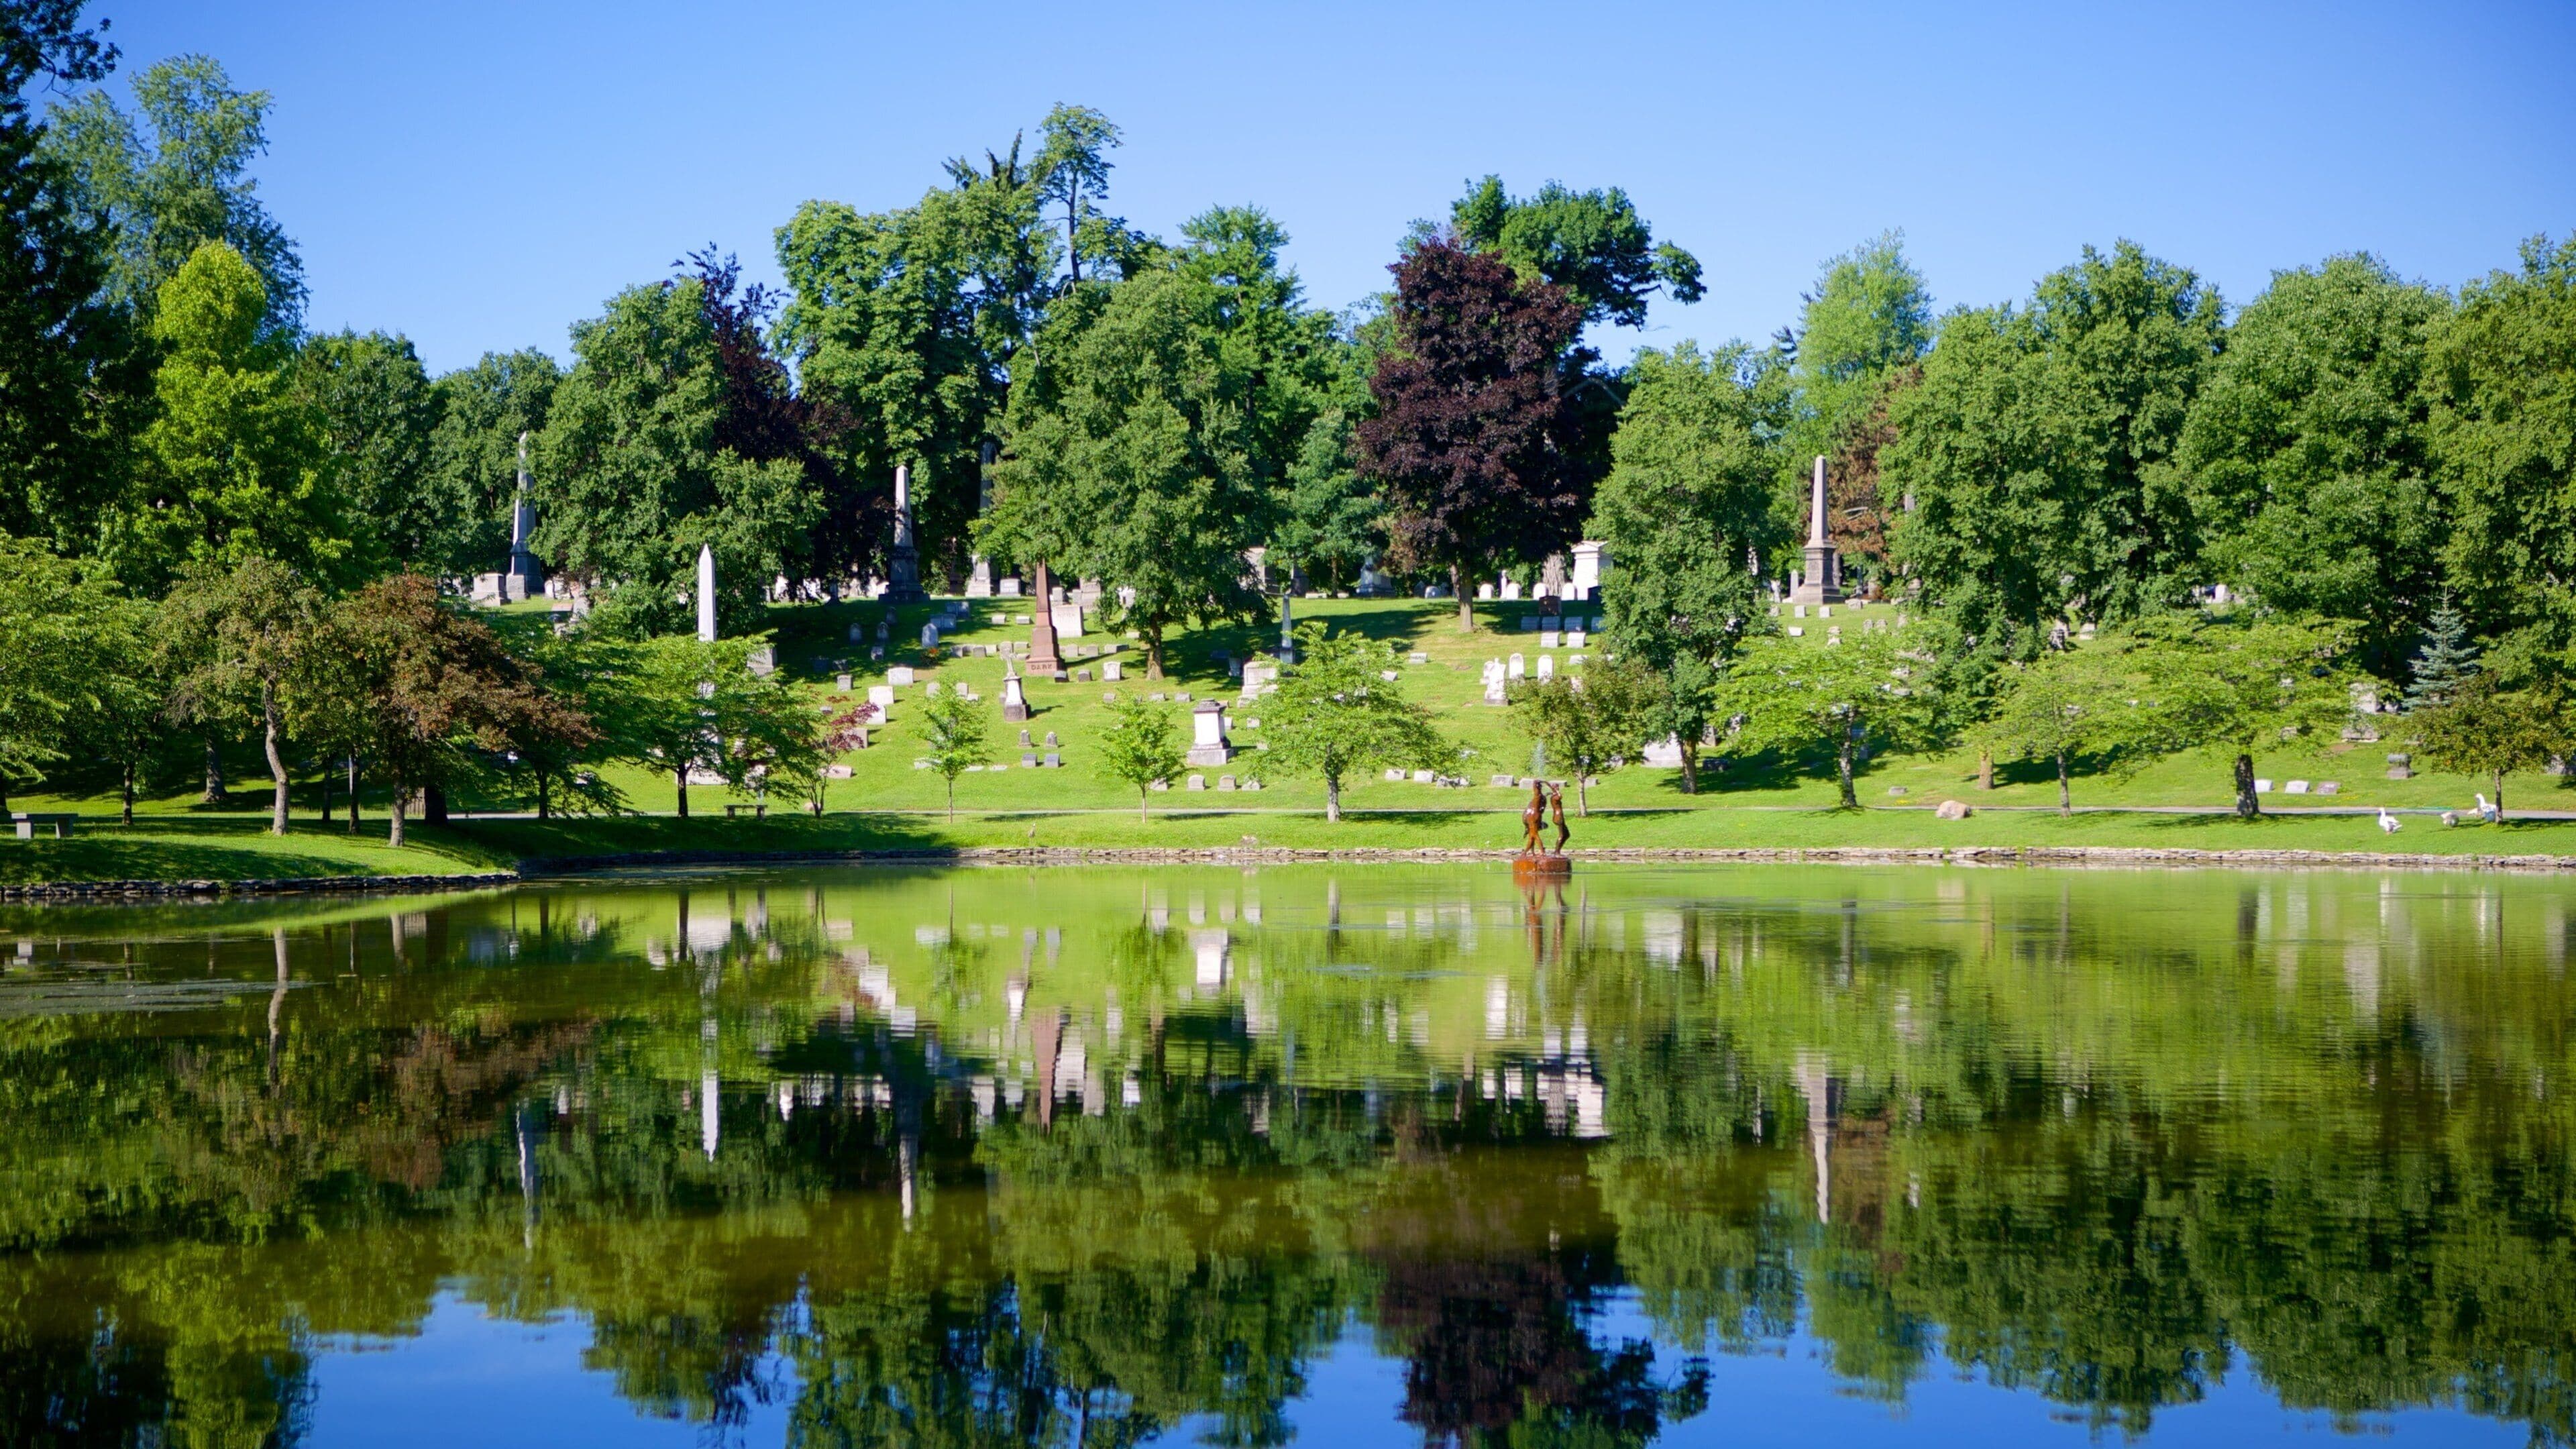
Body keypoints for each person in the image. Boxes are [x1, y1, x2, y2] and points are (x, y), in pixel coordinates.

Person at [1521, 780, 1547, 855]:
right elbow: (1542, 809)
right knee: (1531, 836)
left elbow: (1535, 786)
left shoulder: (1538, 795)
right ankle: (1528, 852)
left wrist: (1536, 783)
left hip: (1532, 817)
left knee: (1534, 834)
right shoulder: (1542, 797)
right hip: (1533, 817)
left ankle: (1542, 851)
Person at [1548, 782, 1570, 854]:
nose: (1558, 788)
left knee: (1567, 834)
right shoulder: (1554, 797)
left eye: (1558, 787)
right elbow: (1560, 797)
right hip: (1558, 817)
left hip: (1560, 816)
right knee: (1562, 835)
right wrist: (1557, 791)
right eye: (1557, 787)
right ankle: (1557, 852)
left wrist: (1555, 791)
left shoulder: (1554, 795)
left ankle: (1558, 850)